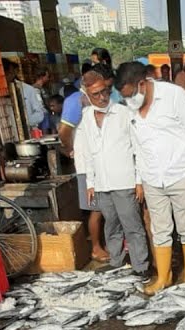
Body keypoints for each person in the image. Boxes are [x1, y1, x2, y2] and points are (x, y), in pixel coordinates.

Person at [114, 61, 185, 294]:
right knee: (160, 230)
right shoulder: (131, 108)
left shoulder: (174, 96)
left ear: (143, 84)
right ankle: (163, 278)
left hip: (181, 174)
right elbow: (136, 146)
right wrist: (139, 178)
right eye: (124, 97)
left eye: (131, 95)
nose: (129, 101)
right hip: (152, 178)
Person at [75, 65, 150, 276]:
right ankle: (116, 263)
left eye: (104, 92)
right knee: (111, 226)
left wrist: (138, 181)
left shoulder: (123, 113)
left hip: (124, 181)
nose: (101, 97)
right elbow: (88, 152)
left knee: (133, 226)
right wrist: (90, 183)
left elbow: (138, 149)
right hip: (101, 183)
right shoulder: (87, 117)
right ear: (88, 95)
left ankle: (140, 267)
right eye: (95, 94)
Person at [60, 67, 110, 263]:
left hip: (99, 163)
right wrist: (70, 149)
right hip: (86, 165)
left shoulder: (94, 100)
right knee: (95, 209)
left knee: (102, 208)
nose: (102, 95)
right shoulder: (75, 102)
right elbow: (63, 131)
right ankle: (96, 248)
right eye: (97, 91)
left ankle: (102, 244)